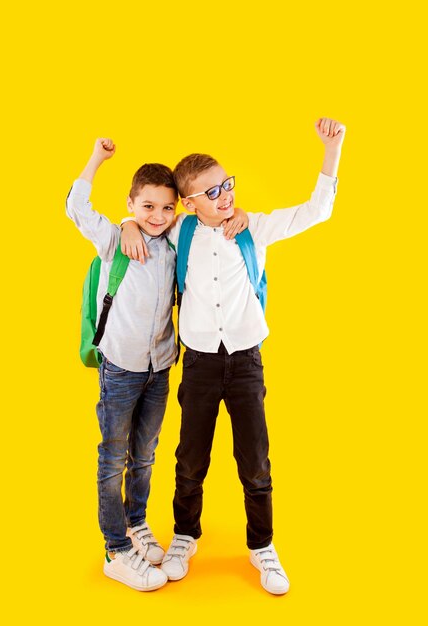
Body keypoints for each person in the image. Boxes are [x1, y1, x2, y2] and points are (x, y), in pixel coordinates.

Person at [120, 118, 346, 595]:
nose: (224, 195)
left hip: (245, 361)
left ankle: (262, 545)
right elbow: (144, 217)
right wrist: (124, 221)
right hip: (199, 363)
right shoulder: (178, 231)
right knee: (189, 458)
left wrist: (332, 151)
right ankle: (185, 535)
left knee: (256, 460)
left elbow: (317, 211)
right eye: (212, 191)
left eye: (228, 185)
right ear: (189, 203)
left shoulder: (254, 228)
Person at [66, 137, 248, 591]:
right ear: (131, 204)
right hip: (120, 368)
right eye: (146, 207)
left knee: (144, 456)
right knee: (112, 458)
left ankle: (136, 524)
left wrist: (239, 215)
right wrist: (99, 163)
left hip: (161, 366)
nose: (157, 216)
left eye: (167, 208)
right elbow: (75, 206)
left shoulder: (172, 243)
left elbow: (205, 215)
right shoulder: (114, 240)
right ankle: (116, 549)